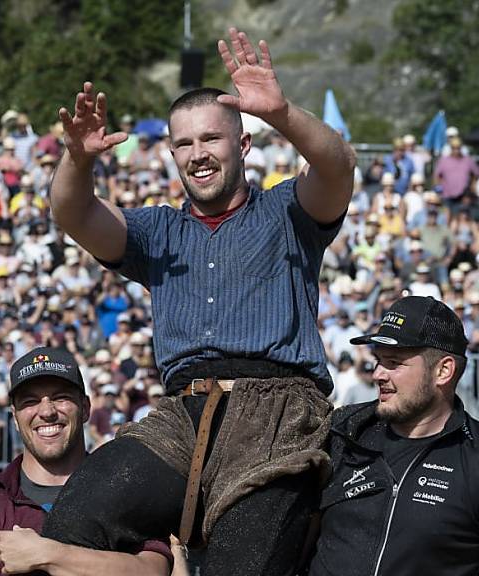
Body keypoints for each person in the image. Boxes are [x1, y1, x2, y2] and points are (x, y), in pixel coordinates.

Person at [45, 27, 355, 576]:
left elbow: (337, 167)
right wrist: (77, 160)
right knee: (76, 516)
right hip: (183, 414)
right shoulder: (157, 230)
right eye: (184, 144)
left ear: (243, 145)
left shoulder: (286, 211)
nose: (197, 154)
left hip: (277, 410)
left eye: (210, 139)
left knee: (240, 563)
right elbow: (74, 215)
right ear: (171, 153)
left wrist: (282, 112)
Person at [0, 346, 172, 576]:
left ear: (86, 408)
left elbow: (154, 571)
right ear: (15, 418)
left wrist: (49, 555)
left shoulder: (126, 493)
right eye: (30, 401)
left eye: (60, 397)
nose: (46, 411)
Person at [306, 295, 479, 576]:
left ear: (443, 370)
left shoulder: (472, 458)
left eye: (394, 362)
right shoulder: (342, 432)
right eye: (378, 360)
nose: (378, 374)